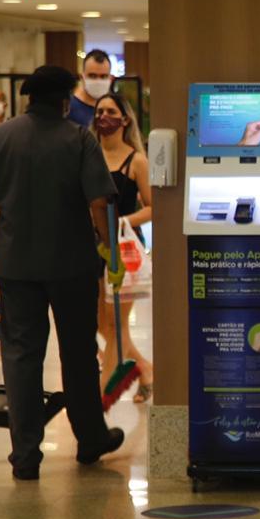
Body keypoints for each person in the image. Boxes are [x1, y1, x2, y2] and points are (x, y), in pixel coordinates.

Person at [0, 64, 126, 481]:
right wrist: (108, 248)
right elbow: (99, 202)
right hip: (71, 263)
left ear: (27, 100)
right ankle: (90, 439)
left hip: (16, 265)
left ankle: (25, 455)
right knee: (77, 353)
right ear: (64, 100)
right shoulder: (78, 139)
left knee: (20, 355)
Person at [91, 92, 154, 402]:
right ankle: (144, 367)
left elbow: (154, 207)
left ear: (125, 119)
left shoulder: (137, 160)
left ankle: (104, 397)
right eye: (99, 110)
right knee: (100, 322)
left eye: (111, 111)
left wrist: (123, 222)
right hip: (91, 247)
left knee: (116, 325)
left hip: (124, 249)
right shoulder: (87, 154)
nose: (104, 116)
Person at [68, 49, 113, 129]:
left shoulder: (115, 108)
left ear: (111, 78)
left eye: (103, 76)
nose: (98, 81)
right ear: (82, 77)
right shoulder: (68, 108)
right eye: (92, 76)